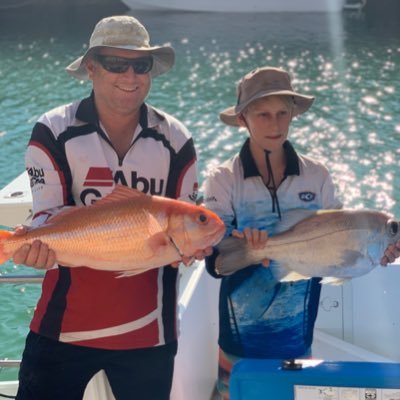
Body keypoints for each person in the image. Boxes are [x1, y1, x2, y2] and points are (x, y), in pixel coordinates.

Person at [12, 15, 211, 400]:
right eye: (116, 64)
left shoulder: (177, 139)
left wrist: (192, 248)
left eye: (141, 65)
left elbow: (186, 224)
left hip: (149, 334)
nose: (130, 76)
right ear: (91, 67)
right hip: (61, 328)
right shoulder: (53, 130)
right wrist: (34, 248)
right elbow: (46, 217)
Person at [203, 66, 400, 400]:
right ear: (242, 120)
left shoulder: (317, 176)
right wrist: (243, 248)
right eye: (262, 114)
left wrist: (380, 252)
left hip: (297, 336)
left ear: (293, 114)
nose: (275, 124)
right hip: (239, 338)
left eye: (283, 113)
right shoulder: (223, 178)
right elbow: (215, 262)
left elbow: (341, 247)